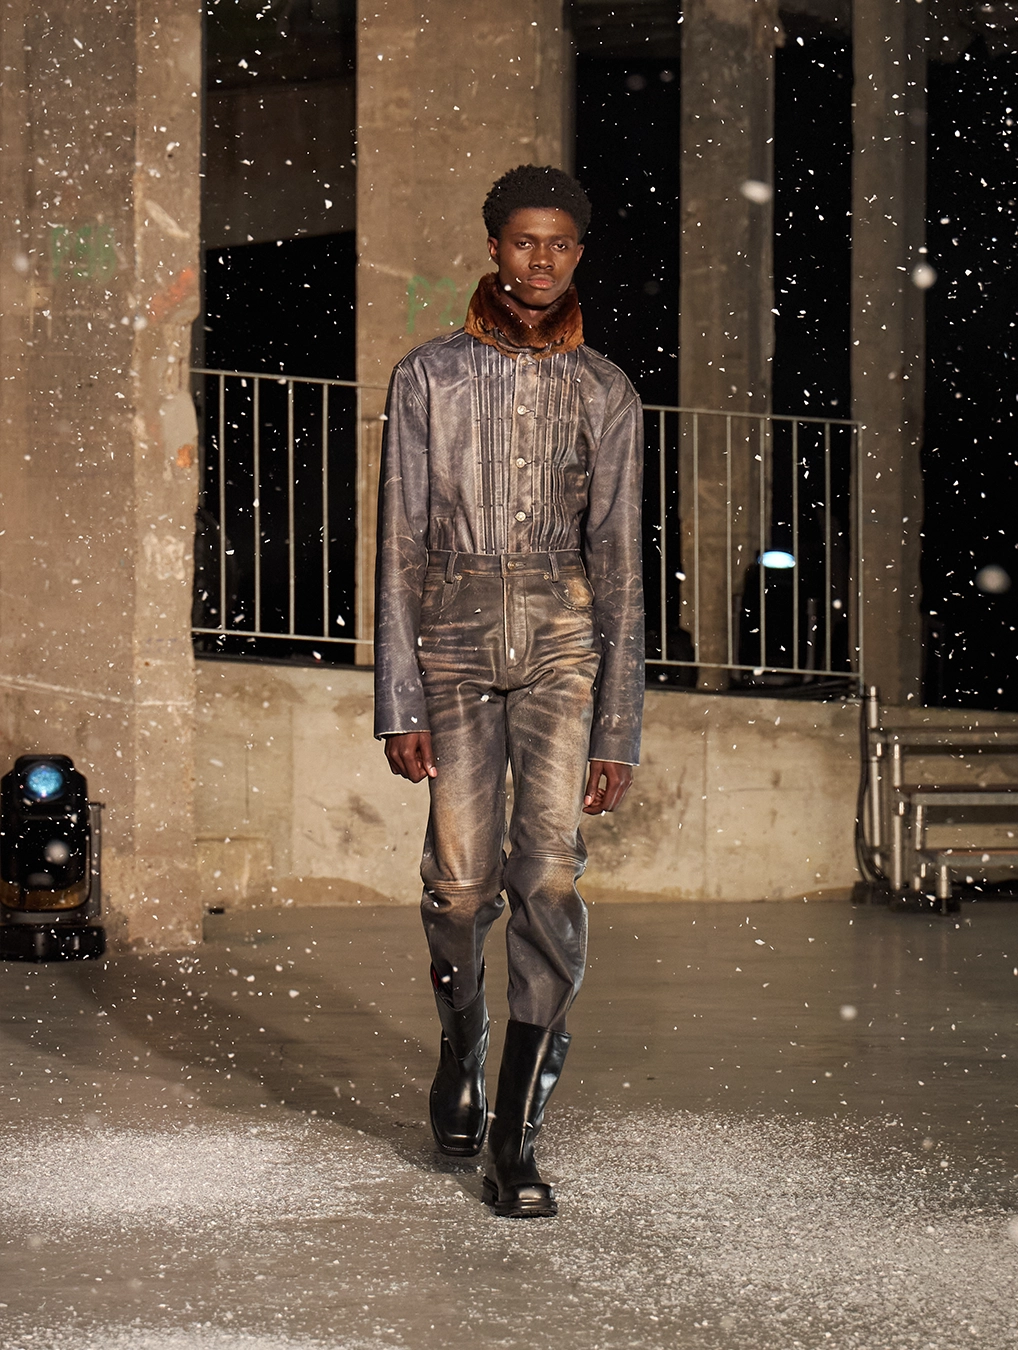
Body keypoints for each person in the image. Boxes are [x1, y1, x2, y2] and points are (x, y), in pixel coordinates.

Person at [375, 164, 644, 1218]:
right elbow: (399, 541)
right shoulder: (427, 377)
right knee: (457, 884)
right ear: (494, 247)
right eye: (524, 241)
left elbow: (618, 559)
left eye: (560, 243)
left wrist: (619, 722)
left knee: (549, 877)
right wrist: (398, 697)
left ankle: (514, 1132)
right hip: (449, 638)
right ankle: (462, 1045)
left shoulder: (606, 390)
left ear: (579, 252)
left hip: (563, 643)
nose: (542, 260)